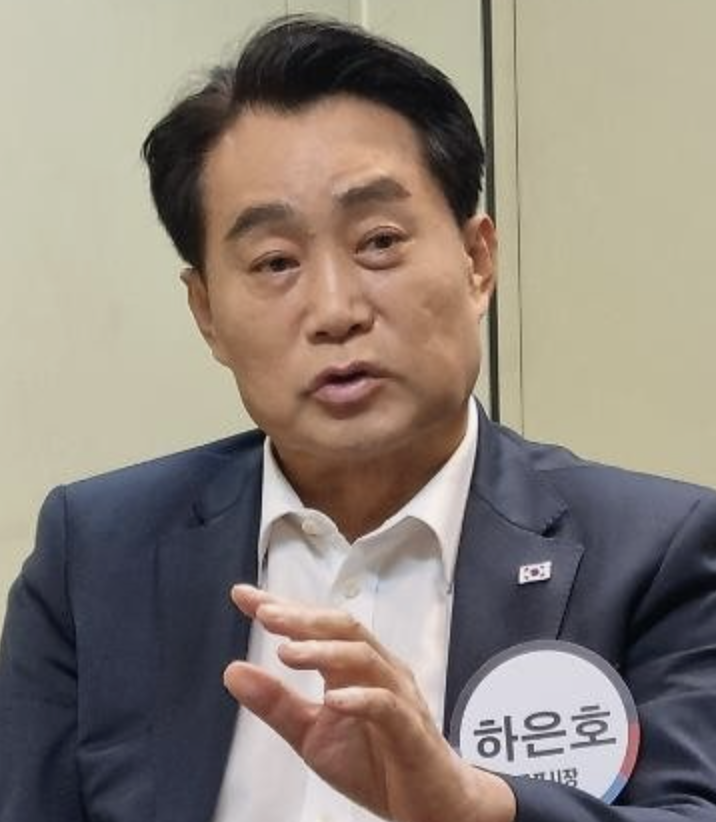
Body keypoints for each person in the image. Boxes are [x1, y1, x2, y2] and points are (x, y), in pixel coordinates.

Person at [1, 13, 716, 822]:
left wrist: (479, 809)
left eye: (378, 242)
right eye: (275, 262)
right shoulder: (97, 557)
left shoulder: (656, 552)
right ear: (206, 313)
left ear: (478, 261)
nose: (336, 310)